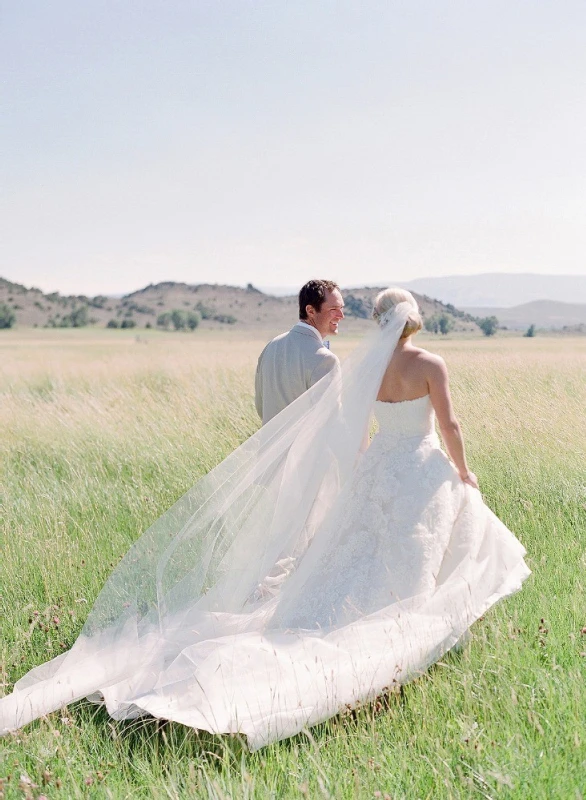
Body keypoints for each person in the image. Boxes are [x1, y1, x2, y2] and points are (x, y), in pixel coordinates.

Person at [0, 288, 529, 751]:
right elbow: (449, 423)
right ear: (413, 318)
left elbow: (355, 424)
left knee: (358, 550)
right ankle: (419, 625)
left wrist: (365, 467)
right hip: (417, 464)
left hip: (379, 466)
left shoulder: (367, 366)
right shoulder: (430, 365)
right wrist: (464, 470)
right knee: (436, 541)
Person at [255, 279, 344, 424]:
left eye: (341, 308)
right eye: (333, 309)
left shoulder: (270, 346)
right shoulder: (325, 359)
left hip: (270, 444)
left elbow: (261, 407)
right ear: (310, 311)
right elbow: (330, 420)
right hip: (309, 447)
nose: (341, 315)